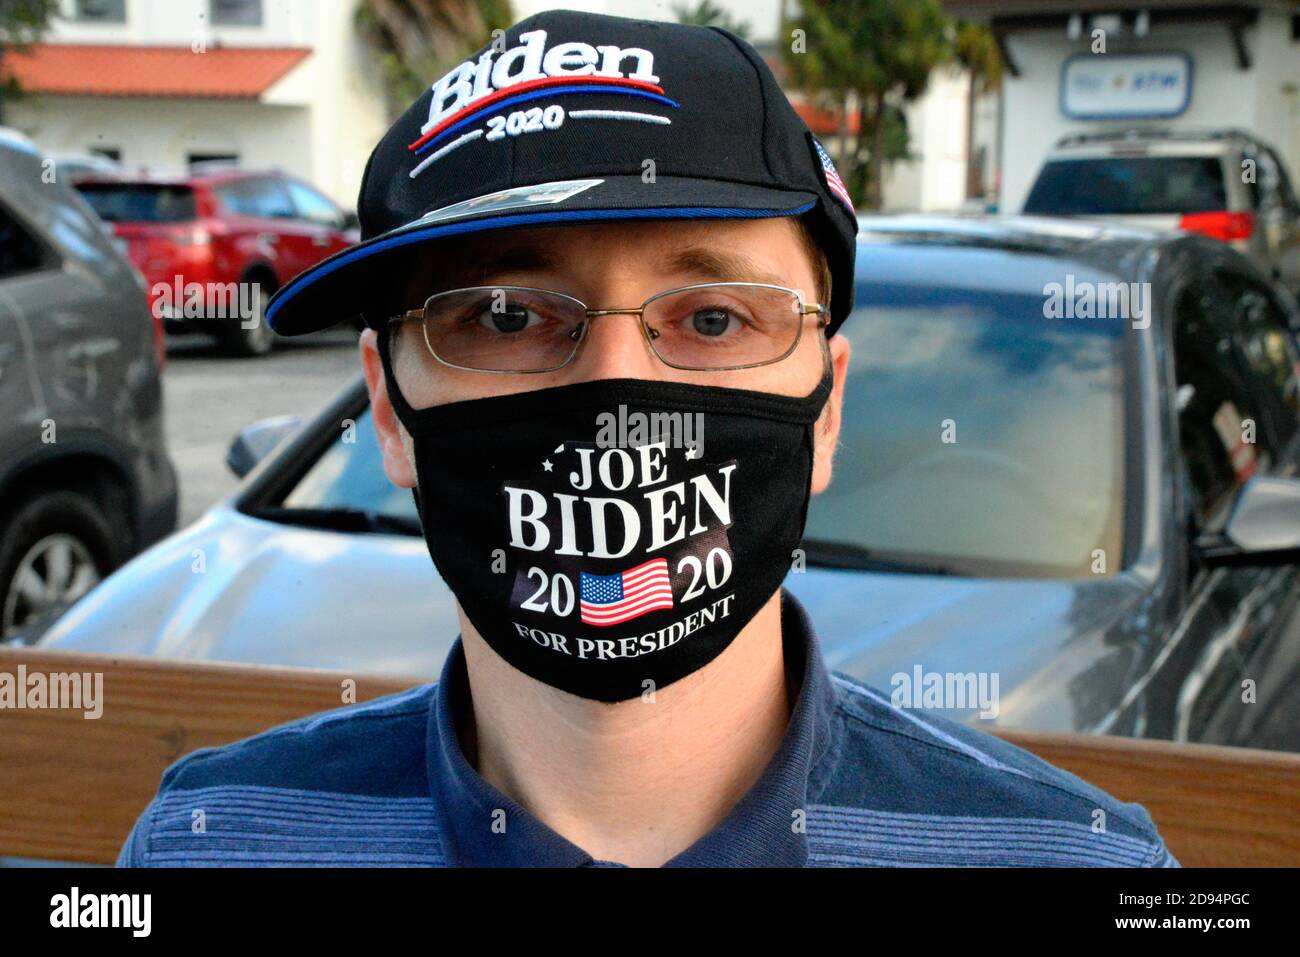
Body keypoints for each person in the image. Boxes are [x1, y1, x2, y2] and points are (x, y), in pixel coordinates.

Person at [117, 9, 1179, 868]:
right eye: (503, 317)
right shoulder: (211, 845)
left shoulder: (1072, 864)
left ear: (828, 407)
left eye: (713, 318)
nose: (617, 393)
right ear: (389, 412)